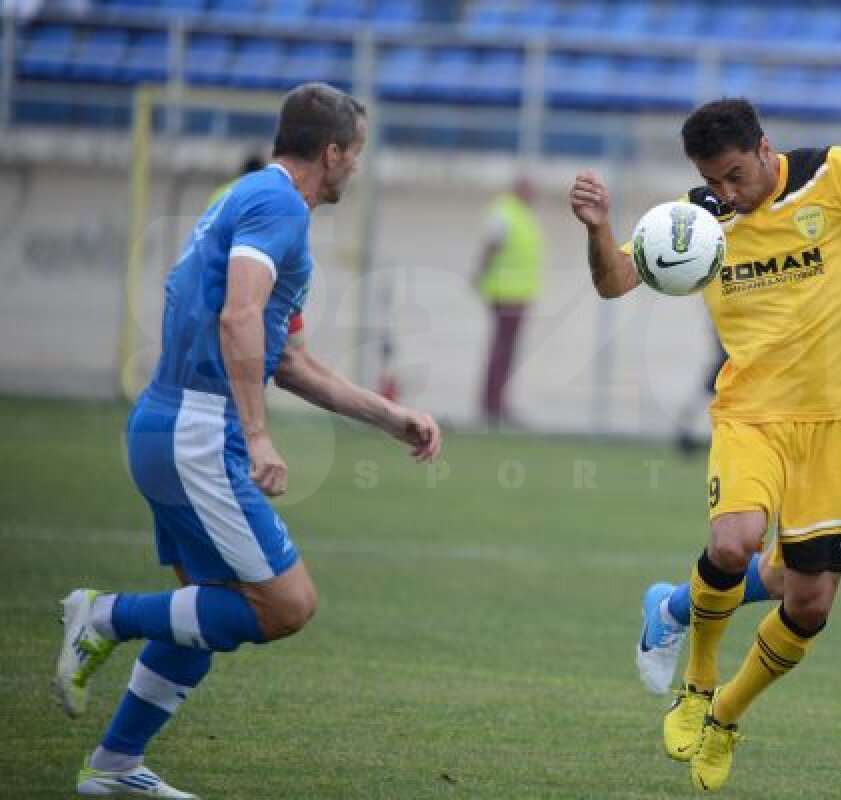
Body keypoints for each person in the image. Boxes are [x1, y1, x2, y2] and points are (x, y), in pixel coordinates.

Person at [570, 96, 841, 792]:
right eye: (715, 179)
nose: (728, 192)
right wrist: (598, 229)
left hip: (838, 424)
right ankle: (699, 684)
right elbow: (615, 281)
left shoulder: (840, 177)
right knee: (734, 543)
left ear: (767, 149)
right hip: (751, 414)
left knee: (809, 606)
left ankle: (729, 716)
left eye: (737, 174)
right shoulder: (697, 218)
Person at [54, 83, 442, 799]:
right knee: (286, 605)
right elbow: (239, 319)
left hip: (165, 424)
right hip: (201, 429)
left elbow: (285, 359)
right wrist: (258, 437)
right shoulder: (276, 206)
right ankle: (103, 614)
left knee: (210, 609)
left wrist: (392, 417)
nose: (357, 168)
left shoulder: (246, 201)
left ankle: (113, 766)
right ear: (331, 153)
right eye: (355, 154)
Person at [474, 176, 545, 426]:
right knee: (501, 350)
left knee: (507, 351)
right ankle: (491, 403)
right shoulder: (504, 212)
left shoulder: (520, 214)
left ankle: (498, 401)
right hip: (505, 293)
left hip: (518, 294)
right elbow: (491, 246)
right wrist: (479, 274)